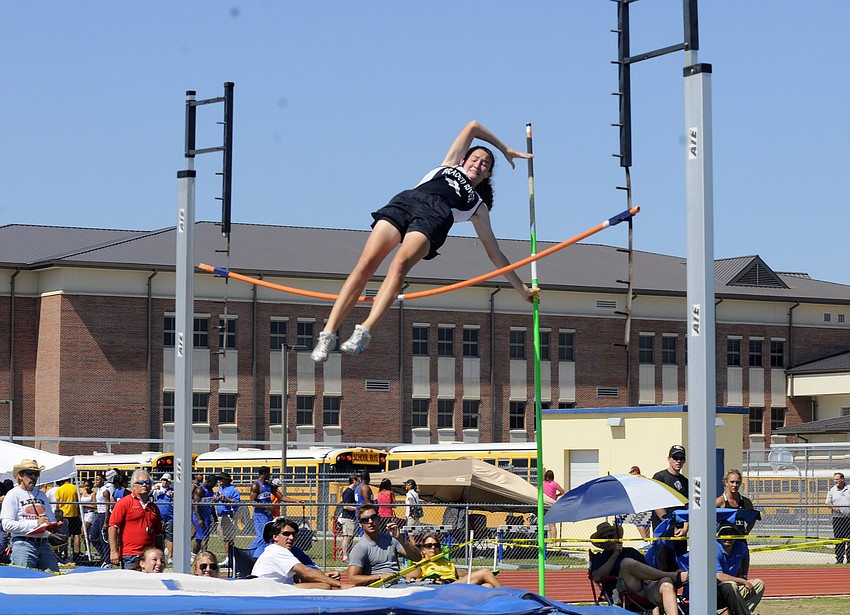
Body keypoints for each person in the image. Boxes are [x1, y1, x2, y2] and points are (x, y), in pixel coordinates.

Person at [310, 121, 537, 362]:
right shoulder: (448, 164)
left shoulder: (477, 208)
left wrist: (521, 289)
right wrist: (504, 149)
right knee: (365, 264)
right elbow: (472, 126)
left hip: (435, 215)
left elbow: (495, 254)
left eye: (485, 164)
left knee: (399, 265)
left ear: (488, 174)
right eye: (475, 159)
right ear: (463, 160)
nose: (478, 165)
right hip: (407, 201)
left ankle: (364, 331)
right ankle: (327, 335)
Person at [588, 521, 684, 615]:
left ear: (616, 537)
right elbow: (597, 577)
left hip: (645, 588)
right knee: (627, 562)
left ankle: (670, 577)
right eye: (603, 539)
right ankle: (674, 576)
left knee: (666, 582)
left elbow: (648, 571)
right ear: (600, 543)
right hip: (622, 592)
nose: (608, 540)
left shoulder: (630, 551)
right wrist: (615, 555)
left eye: (610, 536)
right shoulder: (599, 557)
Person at [252, 516, 353, 589]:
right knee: (324, 586)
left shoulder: (289, 551)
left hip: (275, 588)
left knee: (323, 584)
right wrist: (340, 584)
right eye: (286, 534)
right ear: (275, 537)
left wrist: (325, 575)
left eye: (293, 534)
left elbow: (303, 574)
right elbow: (307, 572)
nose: (291, 538)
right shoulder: (277, 550)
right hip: (268, 591)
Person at [0, 459, 60, 572]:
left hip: (44, 544)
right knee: (24, 580)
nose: (34, 477)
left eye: (36, 474)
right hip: (23, 544)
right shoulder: (13, 495)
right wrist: (35, 523)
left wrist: (53, 525)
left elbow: (50, 517)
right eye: (30, 473)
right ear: (21, 475)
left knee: (53, 576)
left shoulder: (42, 495)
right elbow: (7, 525)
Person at [347, 504, 421, 586]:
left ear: (378, 519)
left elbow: (417, 557)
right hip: (381, 588)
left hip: (400, 582)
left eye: (373, 517)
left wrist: (400, 539)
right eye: (365, 520)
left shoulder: (391, 539)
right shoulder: (360, 548)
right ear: (360, 524)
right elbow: (352, 579)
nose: (370, 522)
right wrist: (380, 577)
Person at [108, 469, 163, 569]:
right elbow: (113, 527)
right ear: (133, 485)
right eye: (141, 482)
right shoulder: (124, 503)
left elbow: (158, 534)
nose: (144, 485)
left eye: (147, 482)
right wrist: (114, 551)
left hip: (149, 556)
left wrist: (160, 554)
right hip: (130, 555)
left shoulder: (153, 508)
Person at [406, 533, 502, 587]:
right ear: (423, 549)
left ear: (439, 548)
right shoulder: (421, 562)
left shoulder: (445, 561)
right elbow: (410, 579)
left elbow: (463, 576)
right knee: (485, 572)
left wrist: (478, 575)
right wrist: (430, 581)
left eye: (436, 545)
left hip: (455, 585)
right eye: (428, 546)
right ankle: (509, 596)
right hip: (443, 587)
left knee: (487, 586)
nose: (433, 548)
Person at [715, 523, 764, 615]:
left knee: (759, 583)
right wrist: (743, 581)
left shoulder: (740, 546)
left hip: (734, 587)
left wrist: (744, 575)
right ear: (719, 535)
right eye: (725, 534)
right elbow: (719, 576)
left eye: (731, 534)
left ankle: (742, 612)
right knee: (731, 585)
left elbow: (745, 557)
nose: (728, 537)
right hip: (717, 589)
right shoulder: (714, 548)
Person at [248, 466, 298, 555]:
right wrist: (266, 506)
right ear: (264, 474)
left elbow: (281, 497)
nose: (270, 475)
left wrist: (296, 500)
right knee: (262, 536)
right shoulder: (256, 485)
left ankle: (260, 553)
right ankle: (248, 553)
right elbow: (252, 501)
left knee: (268, 535)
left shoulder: (269, 486)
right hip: (260, 515)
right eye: (268, 473)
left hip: (268, 515)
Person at [651, 445, 689, 537]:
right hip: (663, 529)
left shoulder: (685, 481)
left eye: (681, 458)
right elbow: (656, 504)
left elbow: (688, 506)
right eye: (675, 458)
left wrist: (685, 527)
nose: (678, 461)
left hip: (680, 529)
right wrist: (671, 525)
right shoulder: (660, 477)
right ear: (669, 459)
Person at [716, 469, 756, 537]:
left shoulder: (746, 502)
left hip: (739, 540)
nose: (735, 485)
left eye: (737, 482)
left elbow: (752, 518)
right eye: (732, 482)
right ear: (726, 482)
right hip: (724, 541)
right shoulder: (719, 501)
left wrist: (746, 531)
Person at [54, 477, 82, 563]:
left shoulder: (60, 489)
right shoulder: (75, 488)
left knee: (64, 536)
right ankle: (76, 553)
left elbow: (58, 503)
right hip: (74, 514)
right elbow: (78, 499)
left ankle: (64, 554)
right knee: (76, 534)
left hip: (64, 514)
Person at [621, 466, 652, 542]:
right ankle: (647, 541)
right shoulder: (644, 479)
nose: (631, 474)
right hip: (647, 503)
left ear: (635, 472)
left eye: (631, 472)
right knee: (646, 524)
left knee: (639, 522)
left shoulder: (636, 479)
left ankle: (645, 541)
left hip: (641, 504)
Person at [825, 471, 850, 564]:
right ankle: (839, 559)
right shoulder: (832, 490)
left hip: (849, 519)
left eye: (837, 479)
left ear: (842, 479)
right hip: (838, 519)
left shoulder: (849, 488)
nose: (835, 481)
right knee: (839, 539)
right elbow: (827, 502)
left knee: (849, 540)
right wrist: (834, 507)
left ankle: (849, 560)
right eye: (834, 479)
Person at [91, 471, 115, 566]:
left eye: (98, 479)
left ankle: (106, 560)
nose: (96, 481)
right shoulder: (99, 491)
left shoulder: (105, 491)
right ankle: (103, 556)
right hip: (98, 515)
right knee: (93, 537)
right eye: (96, 479)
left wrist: (106, 521)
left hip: (104, 515)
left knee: (103, 539)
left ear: (103, 480)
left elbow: (107, 506)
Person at [215, 472, 240, 556]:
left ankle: (229, 556)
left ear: (226, 480)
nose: (220, 481)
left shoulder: (233, 489)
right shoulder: (220, 489)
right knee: (224, 538)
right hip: (221, 516)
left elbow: (236, 501)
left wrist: (226, 499)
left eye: (221, 479)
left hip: (229, 515)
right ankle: (228, 556)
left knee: (229, 538)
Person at [192, 474, 217, 555]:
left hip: (207, 517)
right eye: (213, 483)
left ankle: (194, 555)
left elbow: (211, 505)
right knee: (204, 538)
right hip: (200, 517)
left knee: (200, 538)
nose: (214, 485)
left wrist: (214, 517)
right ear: (209, 482)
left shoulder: (211, 491)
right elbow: (195, 505)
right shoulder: (200, 490)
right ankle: (204, 555)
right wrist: (199, 519)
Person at [152, 473, 174, 563]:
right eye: (163, 480)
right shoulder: (157, 490)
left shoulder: (172, 491)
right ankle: (159, 556)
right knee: (159, 537)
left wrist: (170, 494)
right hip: (159, 517)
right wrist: (155, 488)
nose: (164, 482)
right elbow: (150, 492)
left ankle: (169, 557)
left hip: (169, 517)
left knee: (170, 537)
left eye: (166, 480)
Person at [338, 473, 360, 562]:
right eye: (358, 480)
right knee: (347, 537)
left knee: (350, 537)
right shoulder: (348, 492)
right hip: (347, 518)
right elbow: (346, 506)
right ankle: (345, 555)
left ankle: (348, 554)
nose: (359, 482)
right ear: (354, 481)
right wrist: (357, 508)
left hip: (352, 518)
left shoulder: (354, 492)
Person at [543, 470, 565, 539]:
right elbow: (562, 491)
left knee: (542, 524)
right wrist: (557, 495)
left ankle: (543, 540)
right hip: (552, 504)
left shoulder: (543, 483)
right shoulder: (554, 484)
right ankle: (554, 542)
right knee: (552, 525)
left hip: (544, 504)